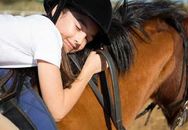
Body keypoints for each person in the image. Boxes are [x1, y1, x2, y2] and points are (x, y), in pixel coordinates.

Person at [0, 0, 112, 129]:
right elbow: (57, 110)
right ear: (57, 9)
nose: (79, 40)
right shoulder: (49, 34)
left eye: (87, 38)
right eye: (78, 27)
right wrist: (88, 70)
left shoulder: (37, 26)